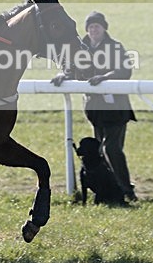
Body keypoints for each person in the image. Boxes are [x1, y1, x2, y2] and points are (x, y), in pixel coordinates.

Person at [52, 11, 138, 202]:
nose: (93, 30)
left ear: (104, 28)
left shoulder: (115, 47)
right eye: (90, 27)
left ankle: (126, 189)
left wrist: (105, 77)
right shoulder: (80, 48)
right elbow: (71, 68)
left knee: (111, 149)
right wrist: (63, 75)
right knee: (100, 151)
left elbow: (125, 70)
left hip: (116, 108)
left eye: (97, 26)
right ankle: (109, 190)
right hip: (95, 109)